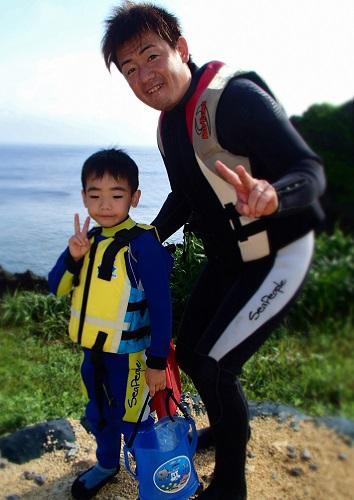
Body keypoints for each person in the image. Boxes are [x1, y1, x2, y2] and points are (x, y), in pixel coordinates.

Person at [101, 4, 326, 499]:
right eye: (130, 69)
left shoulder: (236, 99)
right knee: (192, 345)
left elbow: (309, 171)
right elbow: (187, 191)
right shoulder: (169, 123)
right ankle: (225, 429)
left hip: (279, 252)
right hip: (231, 259)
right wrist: (151, 235)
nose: (144, 76)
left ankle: (230, 486)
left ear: (181, 49)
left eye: (151, 56)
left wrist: (273, 196)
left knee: (215, 365)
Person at [48, 148, 173, 499]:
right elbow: (56, 286)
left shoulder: (142, 245)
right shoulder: (86, 242)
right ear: (84, 197)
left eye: (116, 195)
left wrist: (158, 362)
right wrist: (72, 258)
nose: (105, 205)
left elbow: (163, 308)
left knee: (135, 419)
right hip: (95, 354)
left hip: (131, 357)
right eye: (95, 195)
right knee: (100, 413)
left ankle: (156, 478)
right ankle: (107, 464)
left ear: (134, 197)